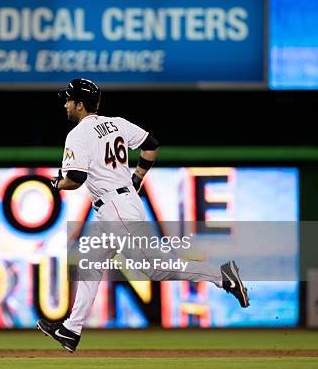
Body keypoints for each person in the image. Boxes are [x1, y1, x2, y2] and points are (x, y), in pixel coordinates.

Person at [37, 78, 249, 353]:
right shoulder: (118, 123)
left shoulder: (78, 134)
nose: (65, 104)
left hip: (115, 209)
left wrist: (56, 183)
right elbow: (151, 144)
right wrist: (137, 176)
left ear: (79, 104)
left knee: (156, 268)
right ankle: (71, 330)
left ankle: (222, 276)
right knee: (90, 265)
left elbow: (75, 179)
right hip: (118, 204)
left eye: (68, 100)